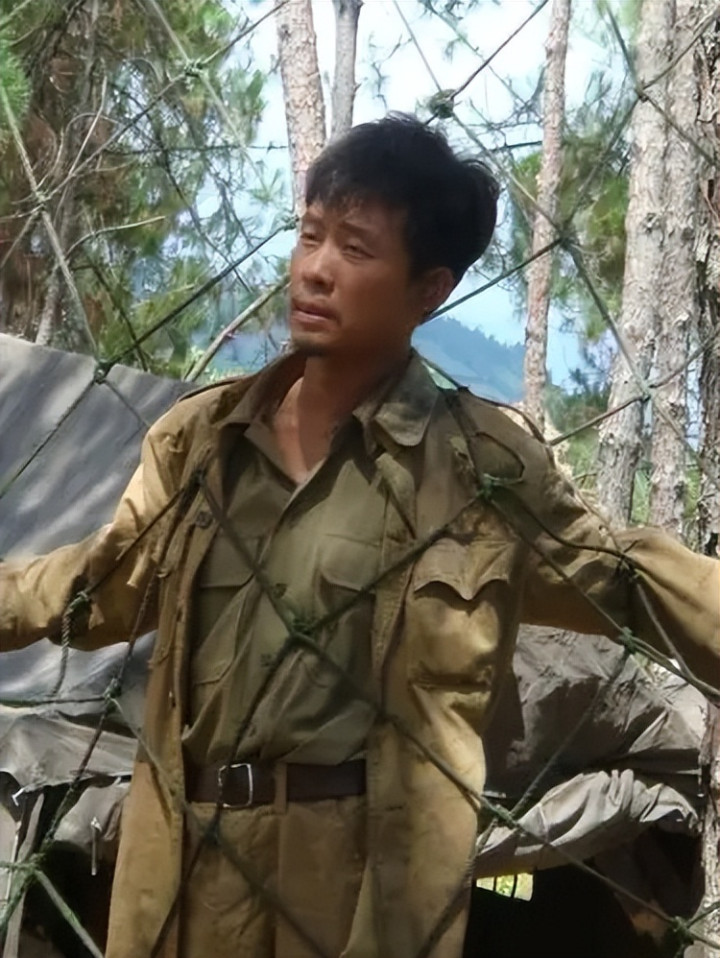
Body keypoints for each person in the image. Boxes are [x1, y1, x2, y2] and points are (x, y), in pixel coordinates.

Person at [0, 114, 718, 958]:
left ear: (429, 290)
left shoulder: (480, 471)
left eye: (355, 248)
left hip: (361, 890)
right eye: (310, 235)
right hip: (187, 874)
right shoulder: (202, 442)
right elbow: (99, 589)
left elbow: (631, 580)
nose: (315, 268)